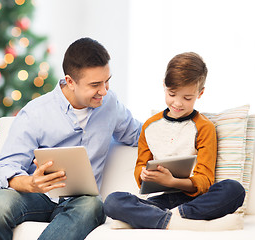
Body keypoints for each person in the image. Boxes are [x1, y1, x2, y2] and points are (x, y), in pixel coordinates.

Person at [0, 37, 142, 240]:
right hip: (37, 197)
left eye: (107, 81)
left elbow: (138, 135)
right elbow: (4, 166)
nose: (104, 91)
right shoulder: (36, 113)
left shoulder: (110, 104)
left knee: (93, 205)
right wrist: (30, 183)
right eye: (95, 85)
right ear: (70, 82)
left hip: (82, 203)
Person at [103, 52, 246, 230]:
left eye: (187, 98)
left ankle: (163, 218)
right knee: (113, 201)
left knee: (234, 190)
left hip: (195, 200)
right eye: (172, 94)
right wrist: (144, 175)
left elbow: (204, 181)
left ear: (200, 93)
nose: (177, 103)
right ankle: (178, 220)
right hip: (161, 200)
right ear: (164, 86)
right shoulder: (150, 126)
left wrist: (173, 182)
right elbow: (140, 168)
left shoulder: (204, 127)